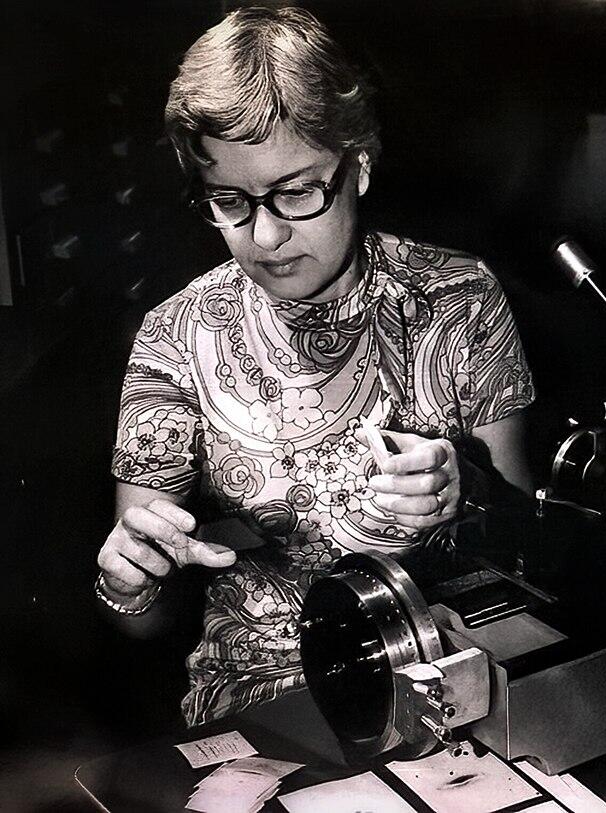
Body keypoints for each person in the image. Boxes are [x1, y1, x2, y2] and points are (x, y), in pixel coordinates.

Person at [95, 6, 534, 726]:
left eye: (296, 191)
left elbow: (526, 552)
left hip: (446, 685)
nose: (266, 235)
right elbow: (143, 618)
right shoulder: (175, 337)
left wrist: (469, 485)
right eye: (229, 200)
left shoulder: (460, 298)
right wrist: (128, 582)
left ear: (358, 164)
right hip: (262, 701)